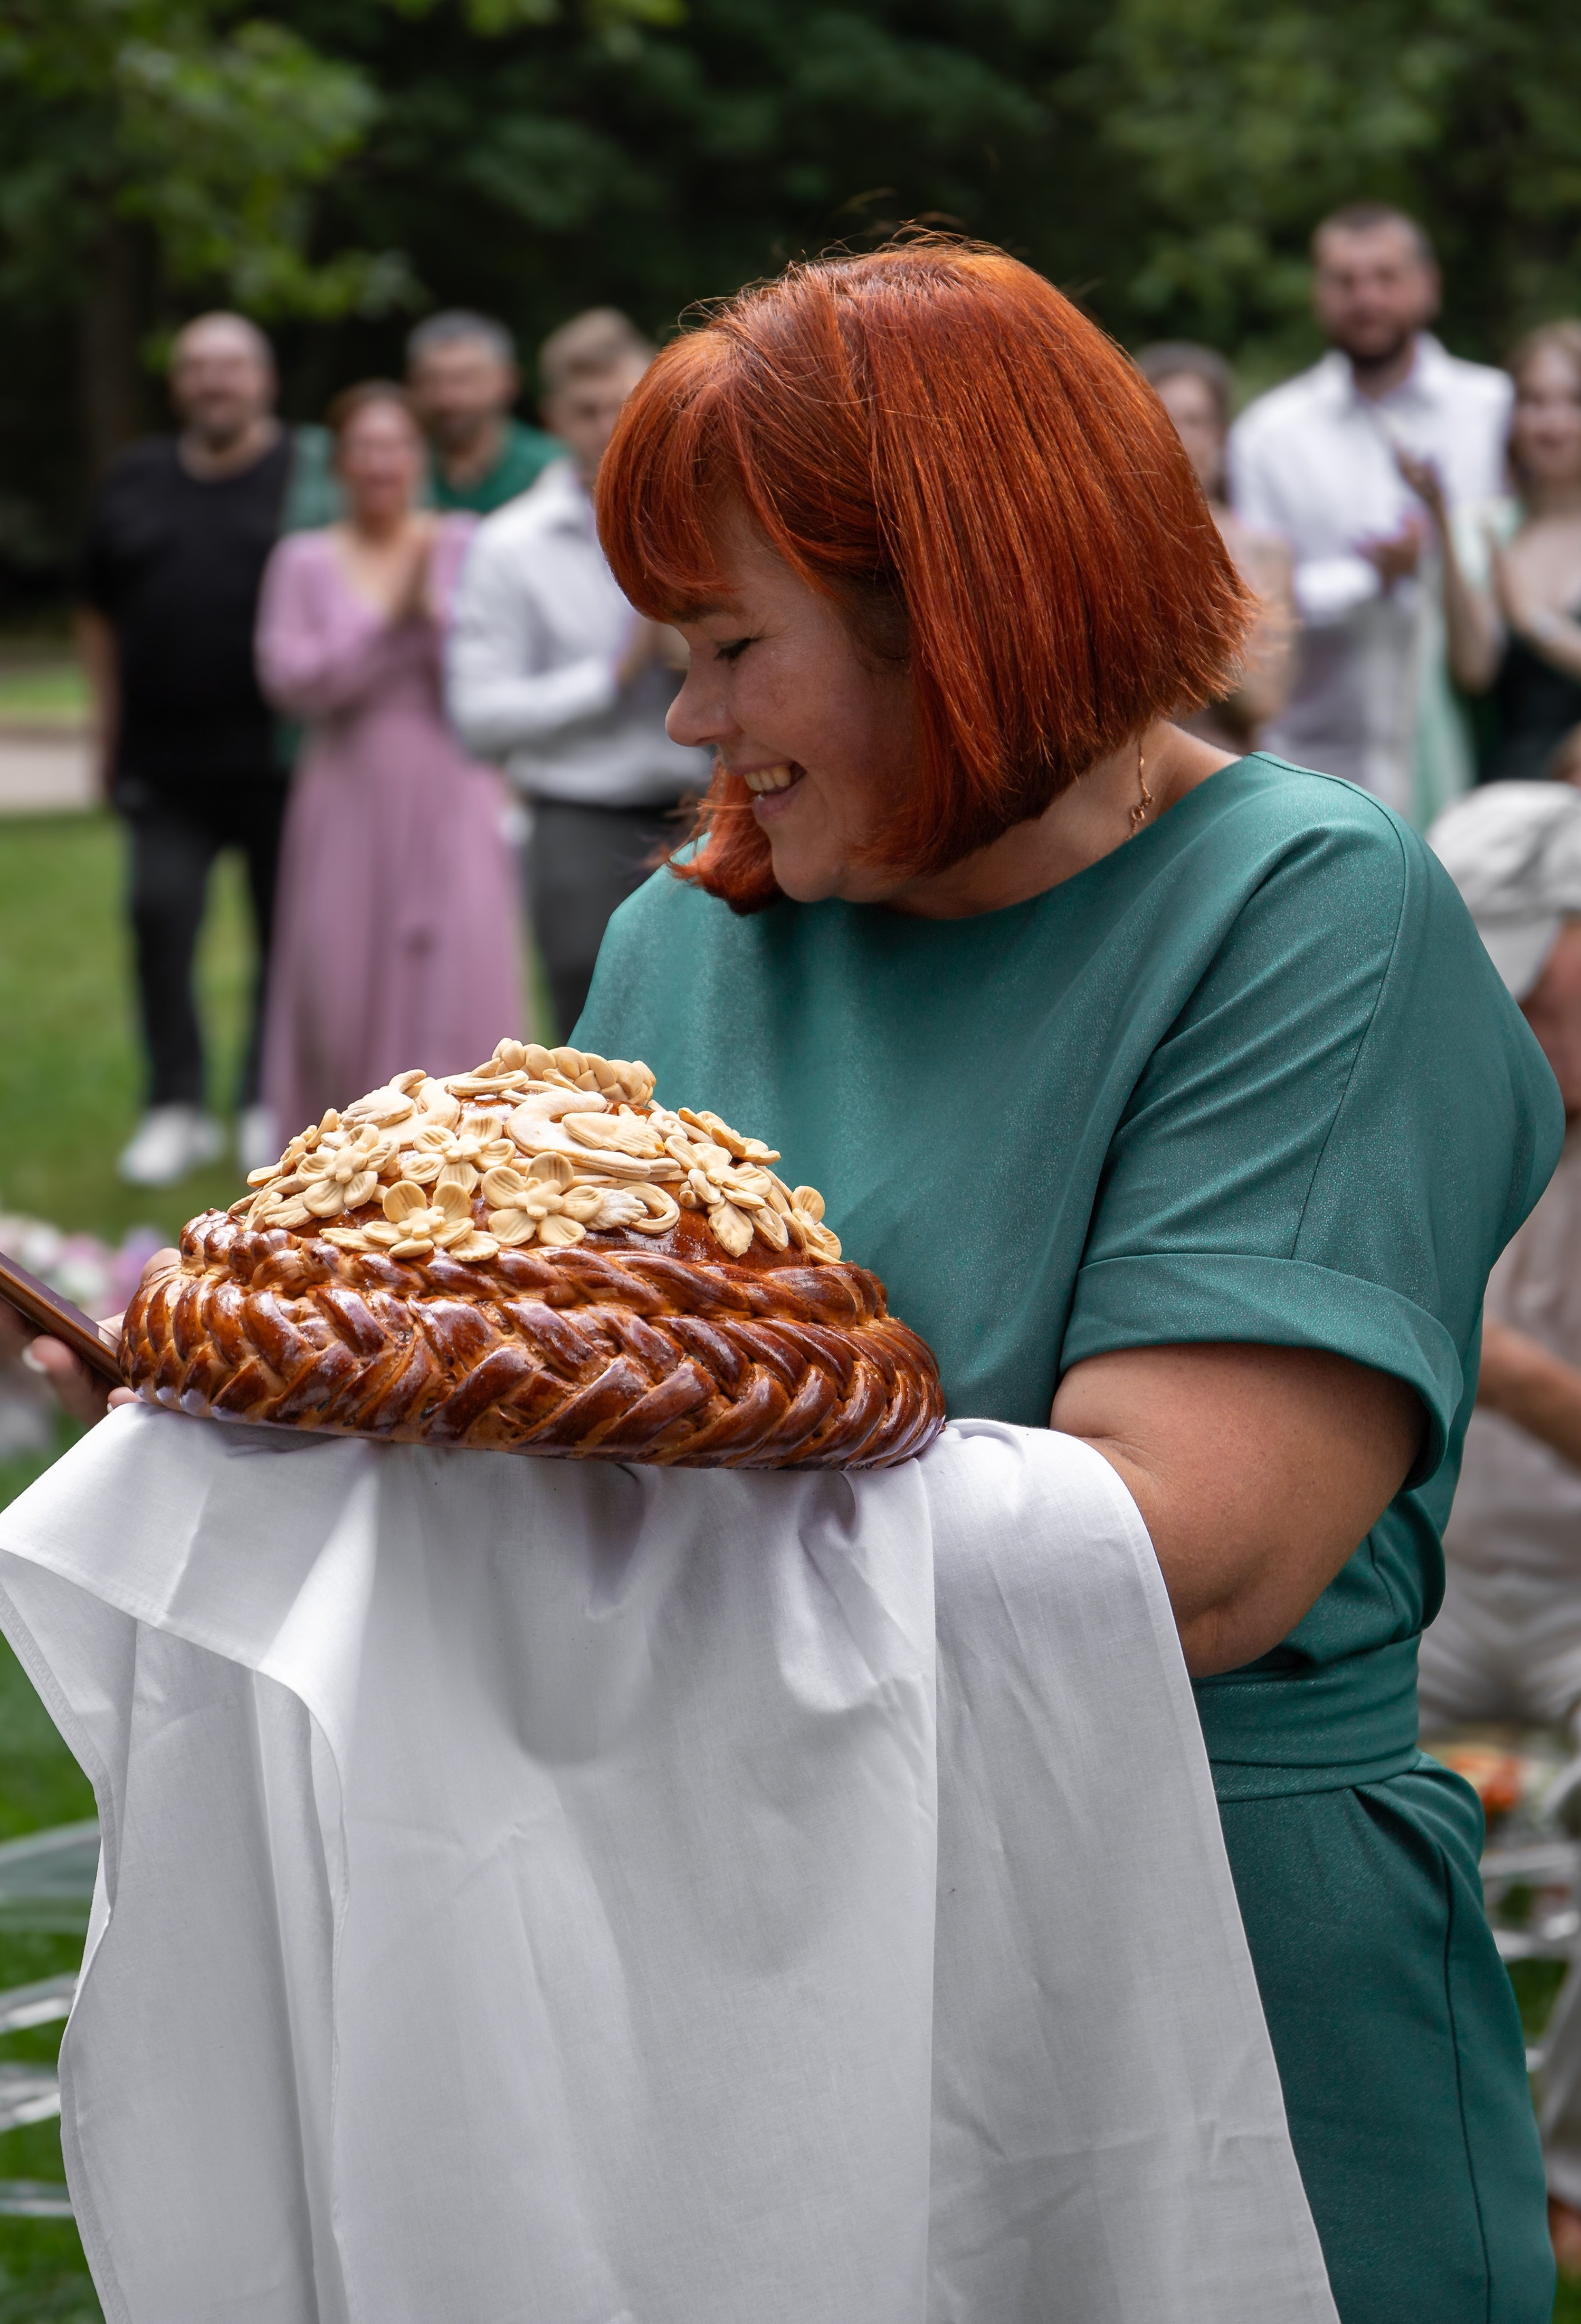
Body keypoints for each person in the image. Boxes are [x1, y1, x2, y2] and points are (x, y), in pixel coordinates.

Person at [567, 240, 1554, 2320]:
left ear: (959, 617)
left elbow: (1179, 1561)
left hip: (1201, 1975)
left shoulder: (1301, 910)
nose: (688, 719)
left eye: (734, 642)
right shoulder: (684, 938)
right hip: (768, 1946)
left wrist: (564, 1492)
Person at [1420, 780, 1581, 2276]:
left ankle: (1564, 2172)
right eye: (1514, 987)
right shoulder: (1402, 1117)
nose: (1541, 1027)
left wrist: (1517, 1376)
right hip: (1408, 1585)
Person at [255, 383, 523, 1138]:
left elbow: (480, 670)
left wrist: (433, 615)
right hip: (346, 792)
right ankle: (338, 1153)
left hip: (450, 786)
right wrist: (389, 614)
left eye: (397, 445)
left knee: (454, 973)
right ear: (339, 463)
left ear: (419, 457)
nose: (382, 463)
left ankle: (466, 1155)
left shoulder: (462, 540)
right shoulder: (303, 560)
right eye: (365, 447)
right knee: (337, 979)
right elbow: (293, 682)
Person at [80, 312, 304, 1185]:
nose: (215, 381)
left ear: (266, 380)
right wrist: (102, 732)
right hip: (162, 764)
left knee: (283, 936)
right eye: (198, 367)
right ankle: (174, 1103)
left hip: (282, 761)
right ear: (178, 384)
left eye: (232, 366)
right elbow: (94, 610)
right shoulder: (133, 478)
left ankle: (261, 1100)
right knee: (159, 918)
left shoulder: (305, 476)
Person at [447, 308, 709, 1038]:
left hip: (718, 794)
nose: (605, 425)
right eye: (585, 410)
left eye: (622, 404)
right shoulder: (509, 545)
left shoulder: (711, 516)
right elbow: (479, 720)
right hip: (579, 811)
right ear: (551, 418)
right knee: (591, 1024)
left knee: (722, 1014)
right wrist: (611, 676)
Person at [1229, 203, 1512, 826]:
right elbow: (1255, 607)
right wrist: (1368, 580)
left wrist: (1433, 565)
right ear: (1318, 293)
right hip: (1315, 770)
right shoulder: (1270, 434)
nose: (1366, 298)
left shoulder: (1496, 409)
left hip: (1478, 764)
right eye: (1345, 280)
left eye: (1386, 277)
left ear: (1428, 286)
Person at [1401, 322, 1581, 785]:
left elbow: (1530, 625)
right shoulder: (1487, 532)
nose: (1552, 423)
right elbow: (1474, 670)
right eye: (1534, 402)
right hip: (1504, 804)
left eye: (1573, 401)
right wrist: (1441, 519)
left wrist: (1536, 624)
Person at [1136, 341, 1297, 752]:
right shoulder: (1115, 544)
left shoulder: (1264, 552)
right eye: (1164, 419)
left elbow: (1262, 700)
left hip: (1226, 777)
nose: (1180, 438)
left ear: (1221, 434)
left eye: (1195, 421)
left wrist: (1191, 565)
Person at [406, 311, 562, 516]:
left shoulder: (550, 468)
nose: (447, 397)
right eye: (431, 381)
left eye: (464, 379)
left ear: (508, 381)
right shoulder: (390, 466)